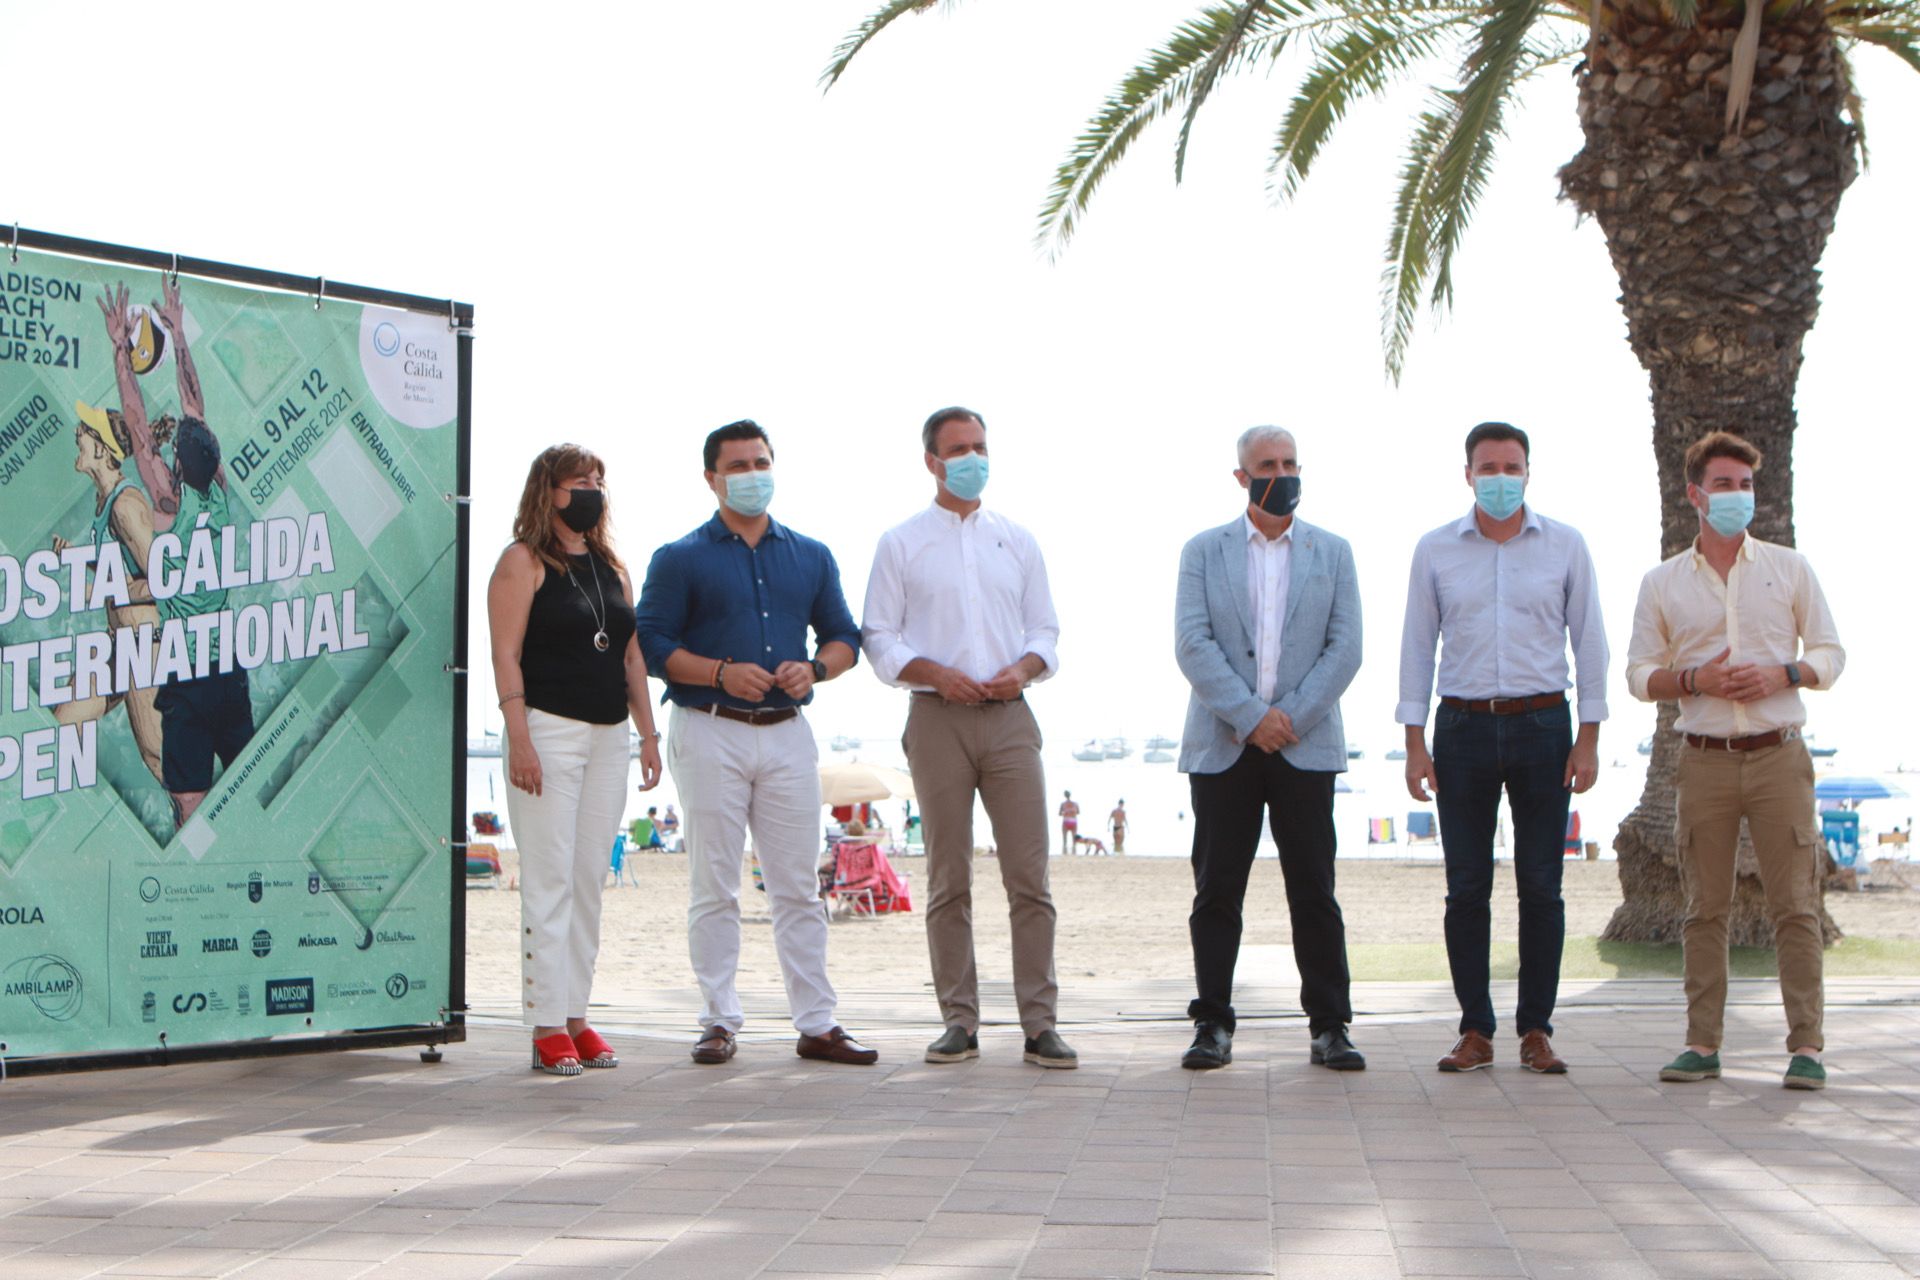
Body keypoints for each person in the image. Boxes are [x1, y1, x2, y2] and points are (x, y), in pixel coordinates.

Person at [636, 419, 877, 1067]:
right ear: (711, 477)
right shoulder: (679, 557)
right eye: (737, 466)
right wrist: (719, 672)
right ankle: (718, 1020)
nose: (751, 475)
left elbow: (845, 636)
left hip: (787, 733)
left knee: (798, 884)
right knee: (714, 882)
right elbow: (651, 644)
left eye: (760, 462)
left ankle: (818, 1023)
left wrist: (817, 668)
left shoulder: (811, 555)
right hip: (708, 726)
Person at [1626, 431, 1844, 1091]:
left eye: (1746, 485)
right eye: (1724, 485)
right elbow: (1639, 675)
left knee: (1795, 905)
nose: (1738, 496)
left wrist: (1786, 672)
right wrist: (1695, 681)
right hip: (1705, 761)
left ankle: (1806, 1047)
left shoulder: (1790, 568)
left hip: (1780, 757)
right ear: (1695, 495)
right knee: (1705, 907)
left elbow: (1831, 654)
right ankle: (1701, 1044)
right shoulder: (1662, 582)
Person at [862, 405, 1073, 1069]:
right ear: (931, 460)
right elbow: (879, 636)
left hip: (1011, 718)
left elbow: (1046, 631)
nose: (972, 458)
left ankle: (1040, 1025)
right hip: (936, 718)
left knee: (1029, 878)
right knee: (948, 876)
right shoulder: (901, 542)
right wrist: (934, 674)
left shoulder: (1017, 539)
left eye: (980, 446)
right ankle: (959, 1019)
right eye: (958, 449)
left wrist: (1023, 669)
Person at [1397, 422, 1609, 1076]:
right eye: (1487, 468)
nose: (1499, 479)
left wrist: (1589, 739)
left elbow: (1590, 643)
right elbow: (1416, 647)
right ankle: (1475, 1030)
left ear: (1527, 472)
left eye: (1511, 467)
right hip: (1459, 730)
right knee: (1466, 889)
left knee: (1542, 887)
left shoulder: (1566, 546)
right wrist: (1414, 742)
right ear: (1467, 475)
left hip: (1544, 726)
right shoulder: (1435, 550)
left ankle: (1536, 1030)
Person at [1173, 426, 1363, 1072]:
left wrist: (1289, 719)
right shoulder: (1204, 551)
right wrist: (1253, 718)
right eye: (1266, 465)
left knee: (1314, 889)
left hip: (1305, 748)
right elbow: (1192, 646)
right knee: (1217, 890)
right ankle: (1213, 1024)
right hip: (1224, 745)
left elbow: (1347, 649)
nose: (1279, 474)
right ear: (1241, 477)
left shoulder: (1333, 553)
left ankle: (1330, 1026)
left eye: (1288, 463)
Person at [489, 444, 663, 1076]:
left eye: (597, 480)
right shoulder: (522, 562)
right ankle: (544, 1024)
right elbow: (505, 656)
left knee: (589, 876)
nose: (591, 490)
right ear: (549, 491)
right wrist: (520, 738)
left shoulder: (612, 567)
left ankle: (577, 1016)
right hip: (548, 729)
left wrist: (648, 735)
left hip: (609, 735)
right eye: (578, 481)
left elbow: (632, 657)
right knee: (550, 877)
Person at [98, 280, 253, 827]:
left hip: (189, 673)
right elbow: (193, 406)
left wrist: (122, 349)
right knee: (243, 794)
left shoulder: (168, 503)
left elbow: (138, 428)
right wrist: (179, 335)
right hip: (228, 669)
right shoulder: (223, 491)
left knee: (191, 803)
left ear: (177, 467)